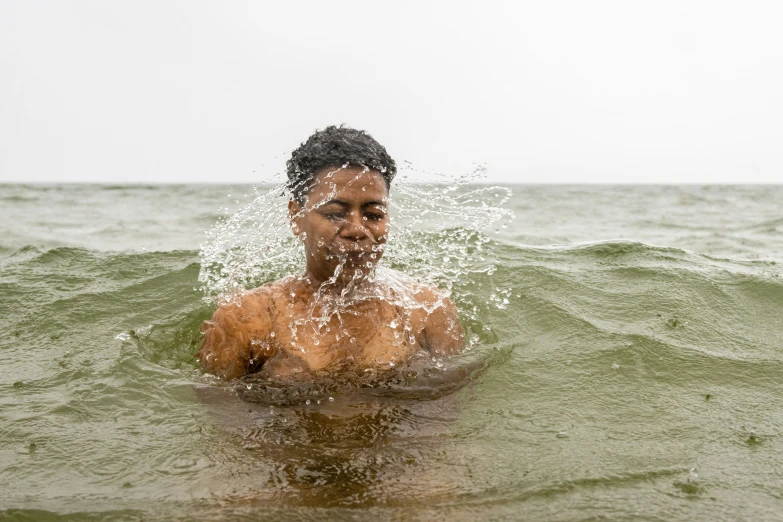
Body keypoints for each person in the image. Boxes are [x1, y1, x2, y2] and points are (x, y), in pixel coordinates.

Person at [197, 126, 464, 380]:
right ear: (296, 217)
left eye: (374, 215)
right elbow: (223, 416)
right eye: (334, 214)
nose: (357, 230)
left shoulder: (427, 310)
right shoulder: (249, 318)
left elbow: (447, 410)